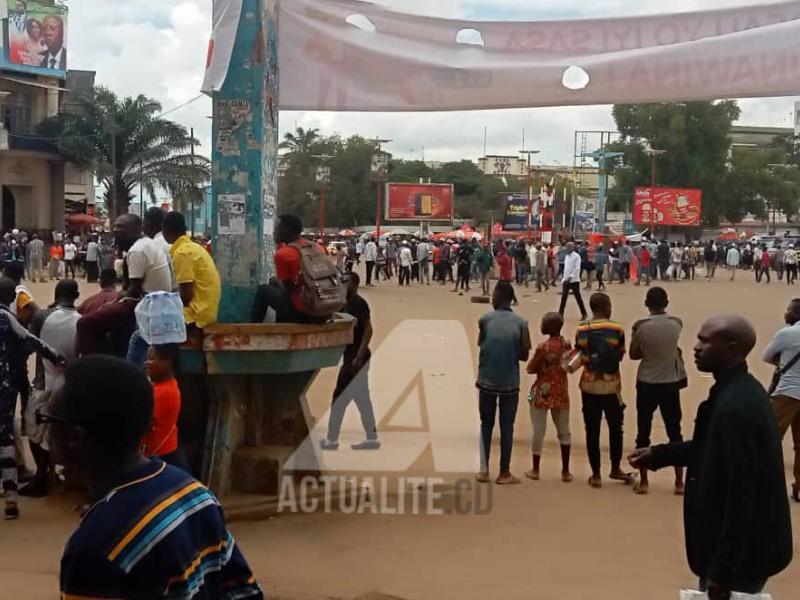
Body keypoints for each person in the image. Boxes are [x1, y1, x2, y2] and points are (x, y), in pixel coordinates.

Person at [43, 356, 263, 598]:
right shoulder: (194, 493)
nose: (45, 429)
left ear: (75, 437)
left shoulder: (95, 548)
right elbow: (244, 591)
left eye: (49, 420)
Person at [630, 316, 793, 599]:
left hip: (744, 558)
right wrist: (660, 454)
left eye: (705, 341)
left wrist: (722, 571)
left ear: (732, 349)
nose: (695, 347)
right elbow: (711, 446)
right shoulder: (737, 392)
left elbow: (741, 495)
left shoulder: (736, 407)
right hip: (743, 551)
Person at [0, 276, 63, 519]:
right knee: (5, 439)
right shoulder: (6, 317)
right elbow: (31, 340)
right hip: (4, 385)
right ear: (9, 298)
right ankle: (11, 497)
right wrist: (56, 356)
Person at [22, 280, 81, 498]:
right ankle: (68, 473)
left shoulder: (42, 316)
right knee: (62, 429)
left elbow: (31, 343)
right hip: (68, 386)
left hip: (42, 382)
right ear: (76, 295)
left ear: (56, 294)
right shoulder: (81, 321)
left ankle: (41, 476)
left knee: (34, 429)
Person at [629, 287, 686, 495]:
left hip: (646, 382)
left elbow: (634, 355)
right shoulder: (676, 323)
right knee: (675, 431)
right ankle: (679, 482)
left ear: (647, 304)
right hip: (670, 383)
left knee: (643, 431)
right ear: (667, 302)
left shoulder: (641, 326)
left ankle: (644, 481)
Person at [476, 281, 532, 485]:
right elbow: (525, 353)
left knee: (486, 425)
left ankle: (483, 470)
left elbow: (481, 343)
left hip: (486, 379)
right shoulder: (522, 323)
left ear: (499, 298)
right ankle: (504, 472)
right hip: (509, 381)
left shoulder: (485, 319)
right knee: (507, 426)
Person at [575, 292, 630, 488]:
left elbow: (580, 354)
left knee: (592, 429)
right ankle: (615, 468)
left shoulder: (582, 328)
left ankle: (596, 474)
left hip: (589, 385)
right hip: (612, 386)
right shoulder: (617, 329)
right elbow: (620, 355)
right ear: (607, 307)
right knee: (616, 428)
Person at [321, 273, 379, 451]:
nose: (343, 284)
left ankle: (332, 440)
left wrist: (359, 357)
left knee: (339, 398)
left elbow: (368, 329)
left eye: (346, 281)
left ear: (354, 284)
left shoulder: (359, 303)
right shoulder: (344, 303)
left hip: (356, 358)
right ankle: (371, 439)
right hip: (352, 357)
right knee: (362, 400)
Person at [251, 214, 324, 324]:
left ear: (286, 231)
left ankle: (253, 330)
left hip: (305, 314)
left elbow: (288, 290)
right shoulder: (317, 248)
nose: (274, 232)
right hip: (323, 311)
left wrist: (277, 282)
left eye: (277, 228)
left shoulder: (283, 254)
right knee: (275, 285)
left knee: (263, 290)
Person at [525, 312, 572, 482]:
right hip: (561, 390)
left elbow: (530, 368)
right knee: (564, 431)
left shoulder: (542, 347)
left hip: (541, 390)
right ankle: (565, 471)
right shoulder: (567, 345)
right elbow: (569, 366)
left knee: (538, 429)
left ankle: (536, 469)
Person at [763, 297, 800, 503]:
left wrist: (783, 361)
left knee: (769, 439)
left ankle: (765, 485)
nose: (786, 312)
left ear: (796, 314)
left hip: (787, 393)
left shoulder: (787, 334)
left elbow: (767, 356)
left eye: (789, 310)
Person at [163, 212, 221, 331]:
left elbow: (186, 297)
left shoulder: (182, 253)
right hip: (206, 311)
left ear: (166, 230)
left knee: (147, 332)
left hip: (195, 316)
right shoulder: (194, 247)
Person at [142, 344, 190, 471]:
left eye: (153, 359)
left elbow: (144, 421)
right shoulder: (161, 387)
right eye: (147, 359)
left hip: (162, 454)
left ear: (167, 361)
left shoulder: (165, 392)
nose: (147, 363)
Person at [558, 242, 588, 320]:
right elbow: (566, 268)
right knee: (563, 297)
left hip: (574, 280)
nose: (567, 249)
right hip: (566, 280)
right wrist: (564, 278)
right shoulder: (567, 256)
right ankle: (560, 314)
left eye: (568, 247)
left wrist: (570, 277)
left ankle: (584, 313)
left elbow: (577, 268)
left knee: (577, 297)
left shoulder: (576, 256)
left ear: (572, 248)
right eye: (566, 247)